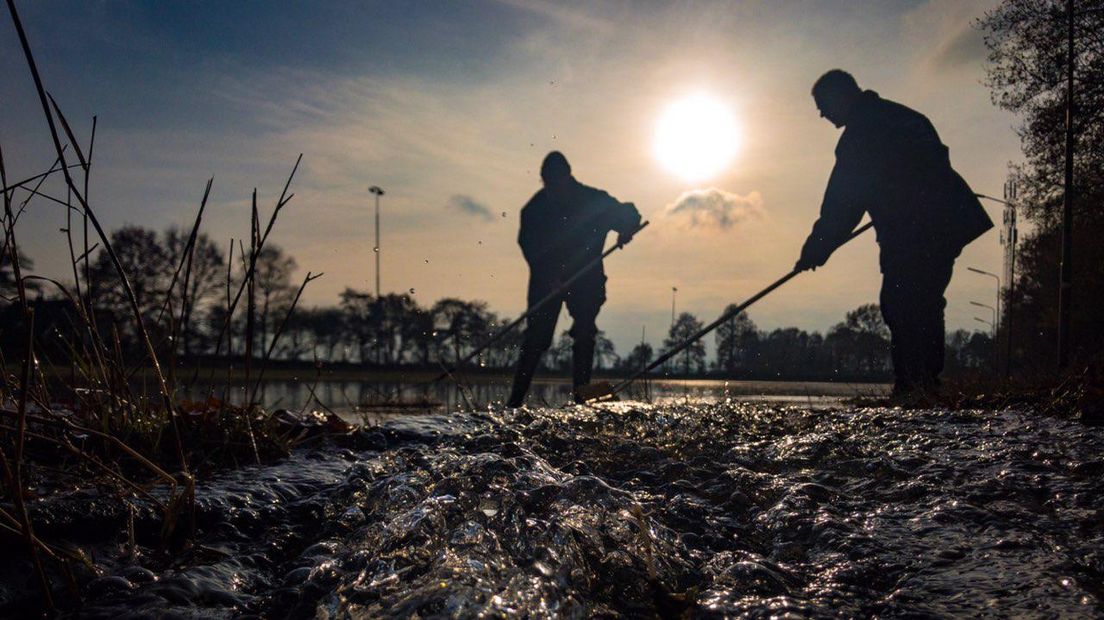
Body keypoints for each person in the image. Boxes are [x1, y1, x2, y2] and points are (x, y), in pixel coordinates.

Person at [794, 70, 993, 396]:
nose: (821, 114)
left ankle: (914, 387)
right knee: (924, 301)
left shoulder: (860, 136)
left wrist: (816, 249)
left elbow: (842, 207)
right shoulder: (905, 117)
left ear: (839, 97)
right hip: (946, 223)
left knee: (902, 303)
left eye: (822, 105)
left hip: (914, 230)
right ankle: (923, 385)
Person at [507, 151, 641, 407]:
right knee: (536, 337)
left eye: (556, 184)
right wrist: (549, 276)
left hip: (585, 279)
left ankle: (581, 400)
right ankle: (514, 404)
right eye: (547, 184)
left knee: (584, 332)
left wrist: (626, 230)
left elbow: (629, 213)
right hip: (547, 281)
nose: (552, 190)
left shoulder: (595, 201)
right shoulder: (534, 210)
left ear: (568, 177)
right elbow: (528, 244)